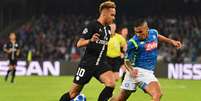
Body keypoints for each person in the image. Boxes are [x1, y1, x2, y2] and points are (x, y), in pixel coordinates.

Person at [112, 19, 182, 101]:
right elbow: (126, 60)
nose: (138, 34)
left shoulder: (153, 33)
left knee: (121, 98)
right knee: (157, 94)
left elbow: (157, 36)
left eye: (140, 32)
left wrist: (171, 41)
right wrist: (131, 70)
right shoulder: (133, 42)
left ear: (147, 28)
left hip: (139, 72)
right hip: (139, 71)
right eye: (136, 32)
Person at [59, 1, 116, 101]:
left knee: (111, 84)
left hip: (101, 64)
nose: (114, 17)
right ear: (104, 13)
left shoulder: (108, 29)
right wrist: (90, 40)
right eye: (112, 15)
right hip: (87, 64)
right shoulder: (92, 25)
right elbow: (79, 43)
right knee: (73, 94)